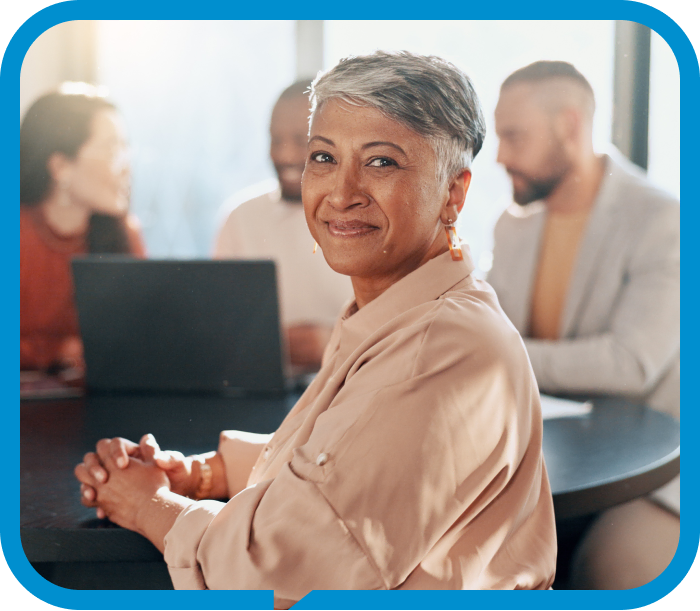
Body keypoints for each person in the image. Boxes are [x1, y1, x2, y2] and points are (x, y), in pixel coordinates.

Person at [75, 51, 557, 600]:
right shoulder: (405, 311)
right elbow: (344, 456)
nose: (341, 192)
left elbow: (279, 573)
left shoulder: (441, 345)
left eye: (381, 163)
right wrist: (204, 473)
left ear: (454, 193)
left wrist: (150, 506)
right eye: (324, 157)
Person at [489, 60, 680, 588]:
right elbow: (484, 330)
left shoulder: (663, 220)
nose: (500, 155)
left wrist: (499, 350)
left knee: (608, 570)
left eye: (513, 136)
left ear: (570, 125)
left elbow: (631, 363)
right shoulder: (512, 226)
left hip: (655, 468)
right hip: (546, 454)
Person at [213, 79, 353, 371]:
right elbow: (220, 335)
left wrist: (335, 345)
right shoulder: (240, 218)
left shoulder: (363, 219)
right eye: (275, 140)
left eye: (301, 141)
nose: (285, 155)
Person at [20, 83, 146, 380]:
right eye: (111, 148)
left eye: (126, 147)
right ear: (60, 166)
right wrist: (60, 350)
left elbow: (141, 342)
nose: (126, 165)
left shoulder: (125, 233)